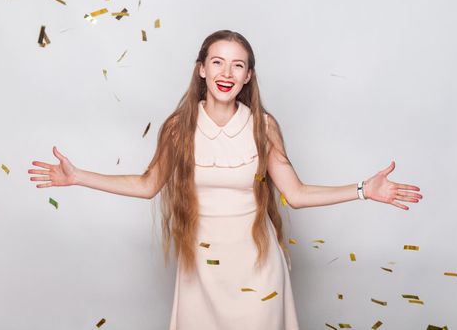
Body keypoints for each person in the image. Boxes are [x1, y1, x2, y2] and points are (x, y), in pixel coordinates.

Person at [28, 30, 423, 330]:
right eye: (217, 62)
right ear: (201, 69)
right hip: (200, 267)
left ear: (248, 75)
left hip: (257, 264)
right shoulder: (178, 128)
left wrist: (363, 190)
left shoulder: (262, 127)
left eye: (237, 65)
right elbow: (148, 184)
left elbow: (297, 194)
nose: (226, 73)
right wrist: (78, 176)